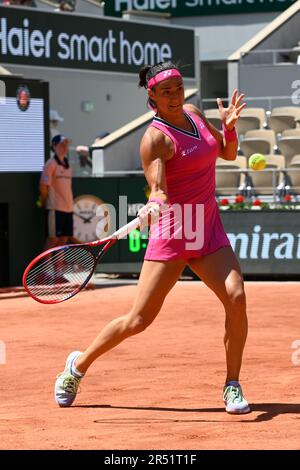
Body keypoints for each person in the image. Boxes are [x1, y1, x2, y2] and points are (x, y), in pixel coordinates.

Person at [54, 61, 250, 415]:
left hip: (206, 228)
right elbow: (158, 188)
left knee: (236, 298)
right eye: (166, 92)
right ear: (152, 97)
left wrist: (229, 129)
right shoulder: (155, 139)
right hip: (175, 231)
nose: (175, 97)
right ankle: (77, 366)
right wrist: (153, 204)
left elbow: (228, 153)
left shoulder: (193, 113)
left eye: (177, 88)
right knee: (138, 321)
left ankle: (232, 384)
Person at [40, 134, 73, 251]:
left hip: (68, 208)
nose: (65, 147)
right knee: (52, 239)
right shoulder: (50, 164)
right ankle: (47, 268)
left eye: (66, 144)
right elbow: (43, 186)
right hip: (55, 208)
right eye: (62, 144)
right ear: (54, 146)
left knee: (64, 239)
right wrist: (44, 201)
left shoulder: (68, 166)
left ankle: (59, 268)